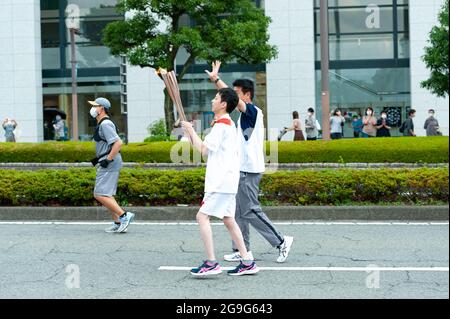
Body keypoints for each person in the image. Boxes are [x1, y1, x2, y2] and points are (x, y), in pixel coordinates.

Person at [206, 61, 294, 263]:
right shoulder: (241, 119)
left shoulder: (254, 112)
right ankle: (241, 248)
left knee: (250, 210)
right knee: (236, 211)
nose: (232, 98)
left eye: (236, 94)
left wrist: (217, 80)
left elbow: (231, 99)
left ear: (246, 95)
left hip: (249, 170)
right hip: (241, 170)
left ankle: (281, 241)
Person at [181, 88, 259, 277]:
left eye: (215, 98)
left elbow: (203, 150)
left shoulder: (222, 125)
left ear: (224, 104)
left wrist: (191, 130)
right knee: (228, 219)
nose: (212, 101)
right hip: (226, 180)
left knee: (202, 217)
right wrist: (190, 132)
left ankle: (211, 263)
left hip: (220, 181)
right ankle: (247, 261)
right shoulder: (226, 124)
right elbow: (203, 148)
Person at [88, 97, 135, 233]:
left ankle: (124, 216)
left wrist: (108, 159)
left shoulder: (105, 124)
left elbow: (118, 143)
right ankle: (117, 222)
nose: (92, 109)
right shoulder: (102, 123)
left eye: (95, 106)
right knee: (106, 194)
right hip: (108, 161)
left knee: (99, 194)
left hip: (110, 163)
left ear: (101, 108)